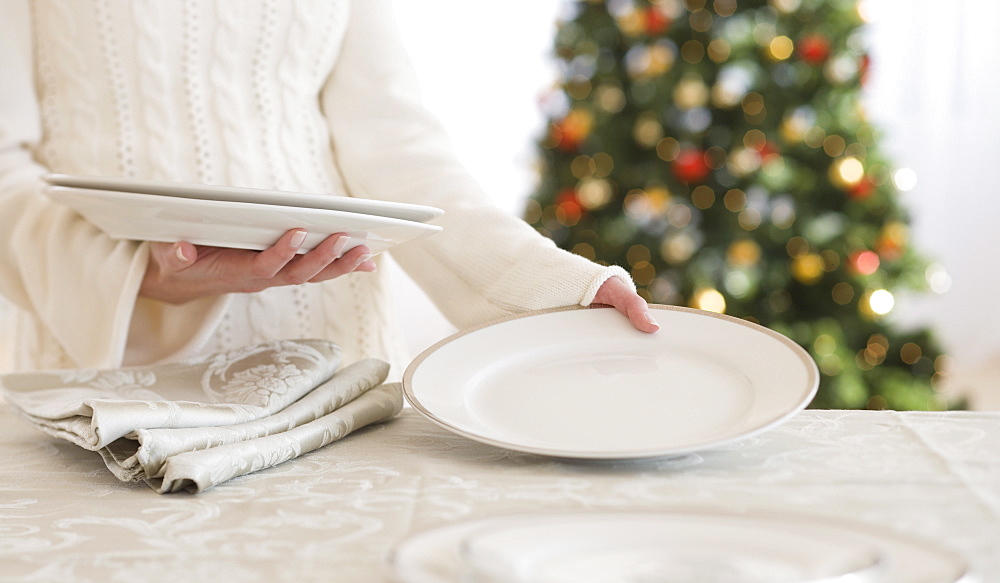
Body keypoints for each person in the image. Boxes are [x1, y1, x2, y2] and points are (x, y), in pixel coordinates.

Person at [0, 0, 657, 378]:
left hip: (331, 366)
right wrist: (134, 273)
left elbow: (397, 147)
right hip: (103, 373)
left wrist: (555, 287)